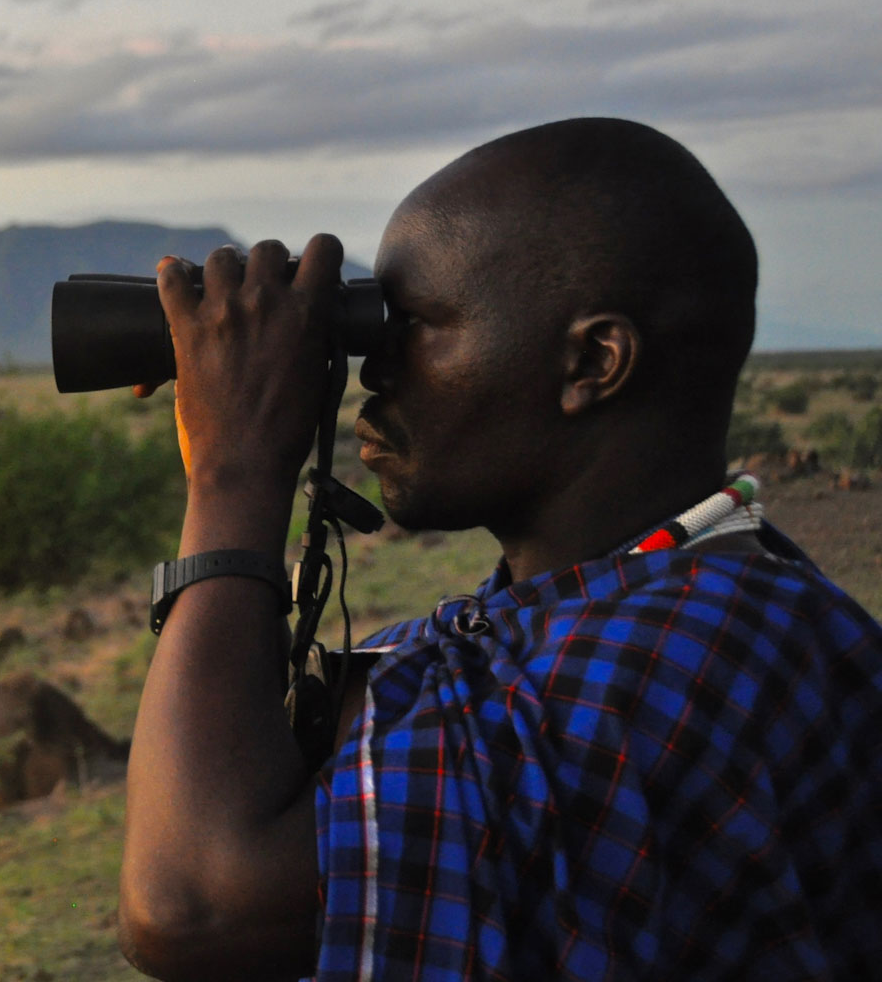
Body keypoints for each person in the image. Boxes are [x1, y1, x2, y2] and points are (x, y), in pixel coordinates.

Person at [116, 117, 882, 981]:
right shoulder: (632, 613)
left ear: (593, 361)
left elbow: (190, 907)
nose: (377, 369)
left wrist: (234, 474)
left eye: (418, 325)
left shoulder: (682, 657)